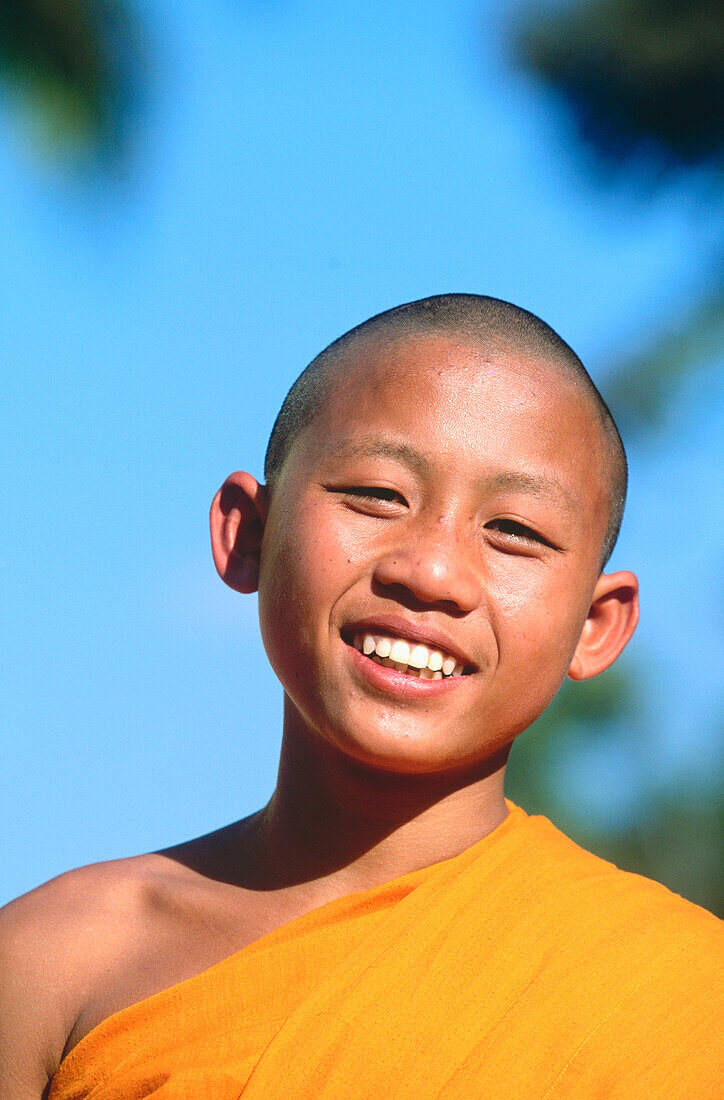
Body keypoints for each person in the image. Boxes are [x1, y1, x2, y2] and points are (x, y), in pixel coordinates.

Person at [1, 294, 721, 1098]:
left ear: (595, 625)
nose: (431, 571)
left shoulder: (676, 993)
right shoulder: (52, 963)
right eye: (379, 495)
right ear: (248, 534)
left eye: (515, 530)